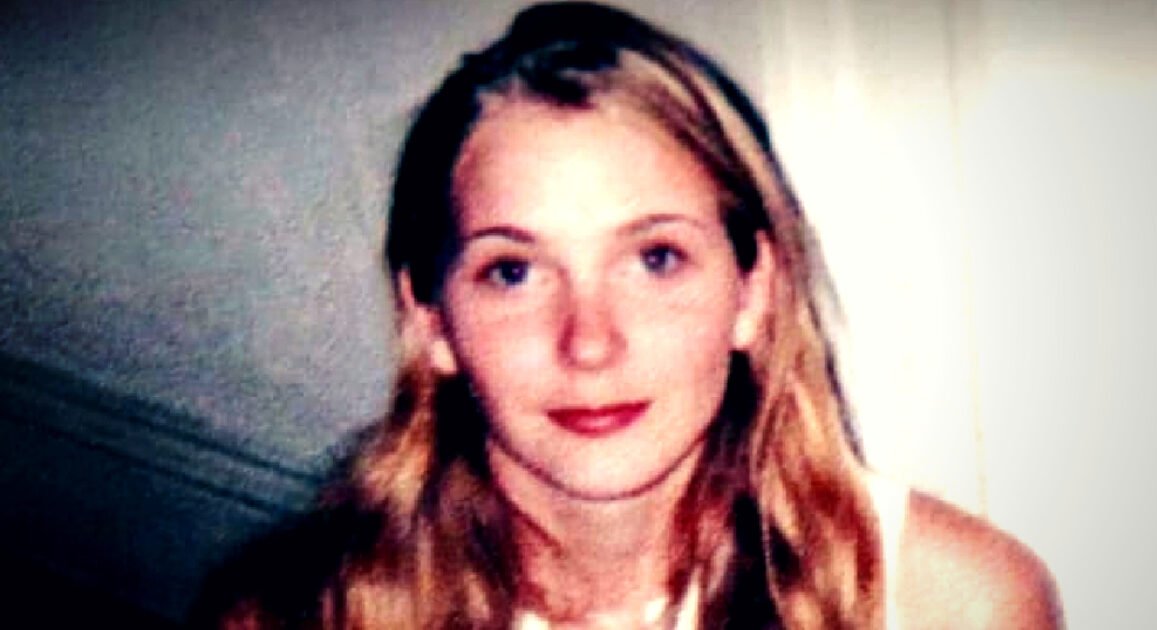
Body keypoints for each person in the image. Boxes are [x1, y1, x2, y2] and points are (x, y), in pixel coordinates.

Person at [206, 2, 1060, 628]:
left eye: (655, 259)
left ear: (753, 292)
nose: (590, 345)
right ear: (430, 321)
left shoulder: (956, 606)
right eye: (513, 271)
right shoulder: (292, 616)